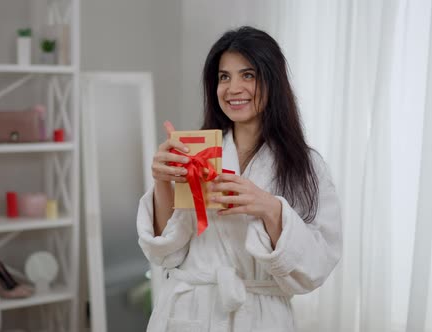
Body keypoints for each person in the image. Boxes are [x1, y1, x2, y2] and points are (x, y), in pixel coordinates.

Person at [137, 26, 342, 331]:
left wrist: (270, 208)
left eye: (248, 75)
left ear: (272, 80)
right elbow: (165, 252)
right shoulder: (199, 152)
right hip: (187, 312)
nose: (233, 88)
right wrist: (161, 182)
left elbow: (316, 266)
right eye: (224, 77)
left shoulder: (306, 166)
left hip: (261, 316)